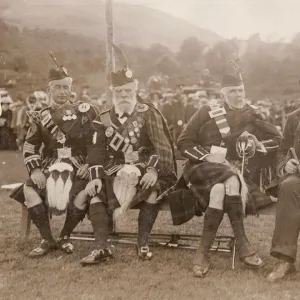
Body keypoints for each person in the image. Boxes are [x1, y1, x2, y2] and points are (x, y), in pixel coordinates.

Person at [161, 61, 282, 277]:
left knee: (221, 188)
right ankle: (243, 244)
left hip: (230, 172)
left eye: (241, 90)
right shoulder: (207, 111)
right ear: (223, 94)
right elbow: (183, 141)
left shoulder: (252, 114)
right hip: (201, 168)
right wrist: (206, 155)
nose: (238, 95)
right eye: (233, 91)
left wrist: (257, 144)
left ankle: (202, 252)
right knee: (232, 178)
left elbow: (278, 140)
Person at [79, 58, 177, 265]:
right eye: (119, 91)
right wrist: (95, 177)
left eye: (128, 91)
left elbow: (162, 147)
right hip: (114, 170)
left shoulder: (148, 113)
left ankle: (143, 243)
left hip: (146, 168)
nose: (124, 95)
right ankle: (101, 248)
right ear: (113, 92)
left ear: (135, 90)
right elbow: (96, 150)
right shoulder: (103, 119)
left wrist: (152, 170)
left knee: (151, 191)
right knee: (96, 193)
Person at [10, 65, 105, 258]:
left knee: (82, 193)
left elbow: (95, 143)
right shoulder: (41, 116)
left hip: (78, 165)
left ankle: (65, 236)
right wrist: (36, 171)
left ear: (71, 89)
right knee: (29, 189)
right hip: (49, 165)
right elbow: (30, 146)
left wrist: (88, 164)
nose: (62, 91)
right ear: (49, 90)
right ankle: (47, 239)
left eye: (66, 87)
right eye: (58, 87)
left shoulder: (84, 112)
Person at [267, 104, 300, 282]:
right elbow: (282, 149)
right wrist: (285, 164)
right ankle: (285, 259)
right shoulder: (295, 117)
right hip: (298, 176)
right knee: (288, 187)